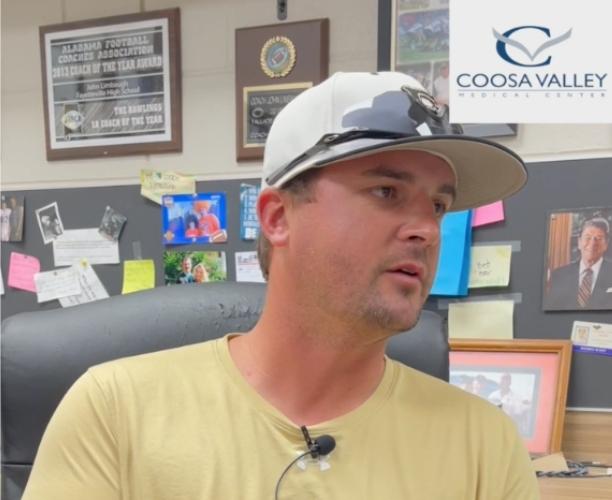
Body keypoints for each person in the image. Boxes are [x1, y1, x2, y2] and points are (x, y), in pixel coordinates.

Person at [23, 72, 538, 499]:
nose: (426, 229)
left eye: (438, 205)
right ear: (277, 217)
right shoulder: (114, 411)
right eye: (386, 191)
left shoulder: (483, 445)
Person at [545, 217, 612, 310]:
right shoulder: (559, 275)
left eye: (599, 238)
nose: (593, 243)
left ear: (606, 244)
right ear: (579, 242)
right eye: (588, 237)